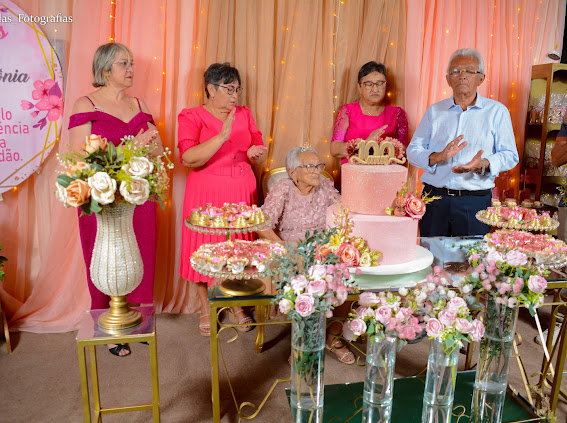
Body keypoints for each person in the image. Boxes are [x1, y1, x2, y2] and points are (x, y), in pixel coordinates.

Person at [69, 42, 164, 357]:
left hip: (138, 195)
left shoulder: (139, 103)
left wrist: (147, 147)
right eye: (124, 63)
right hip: (102, 197)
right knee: (104, 257)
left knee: (139, 254)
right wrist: (132, 146)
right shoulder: (85, 104)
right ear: (105, 69)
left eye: (132, 63)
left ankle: (136, 317)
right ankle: (106, 325)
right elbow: (79, 157)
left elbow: (158, 149)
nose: (131, 69)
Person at [178, 63, 268, 336]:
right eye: (229, 89)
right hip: (206, 192)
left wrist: (256, 153)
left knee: (237, 249)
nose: (234, 95)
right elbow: (188, 158)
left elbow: (258, 145)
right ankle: (206, 307)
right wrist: (221, 137)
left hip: (241, 190)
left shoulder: (244, 113)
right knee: (203, 248)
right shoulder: (191, 115)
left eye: (237, 89)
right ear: (210, 89)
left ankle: (234, 302)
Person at [407, 48, 519, 237]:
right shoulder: (434, 111)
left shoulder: (496, 111)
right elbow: (412, 151)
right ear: (448, 79)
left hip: (474, 202)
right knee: (431, 254)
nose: (462, 76)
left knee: (471, 255)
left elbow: (510, 155)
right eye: (456, 71)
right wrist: (438, 156)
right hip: (434, 200)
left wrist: (483, 164)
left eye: (469, 71)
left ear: (481, 78)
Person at [259, 147, 355, 365]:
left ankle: (334, 335)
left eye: (318, 165)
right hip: (293, 250)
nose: (317, 171)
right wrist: (284, 247)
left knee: (351, 273)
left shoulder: (326, 186)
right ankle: (304, 338)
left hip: (325, 248)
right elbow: (262, 224)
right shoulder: (283, 188)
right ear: (293, 172)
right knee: (307, 278)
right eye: (310, 166)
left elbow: (343, 215)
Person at [330, 61, 409, 163]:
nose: (375, 89)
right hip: (354, 171)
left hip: (386, 171)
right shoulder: (347, 110)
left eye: (380, 84)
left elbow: (405, 150)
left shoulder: (397, 113)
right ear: (359, 87)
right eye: (369, 84)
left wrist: (383, 147)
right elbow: (334, 149)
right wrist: (365, 144)